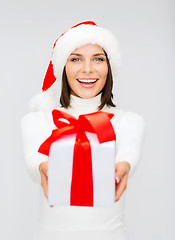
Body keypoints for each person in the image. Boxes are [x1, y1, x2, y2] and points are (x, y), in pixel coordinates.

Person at [21, 21, 145, 240]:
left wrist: (124, 166)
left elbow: (129, 154)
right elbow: (34, 160)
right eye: (76, 59)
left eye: (98, 58)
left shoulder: (128, 121)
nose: (87, 69)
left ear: (109, 66)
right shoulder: (37, 120)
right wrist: (43, 167)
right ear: (63, 67)